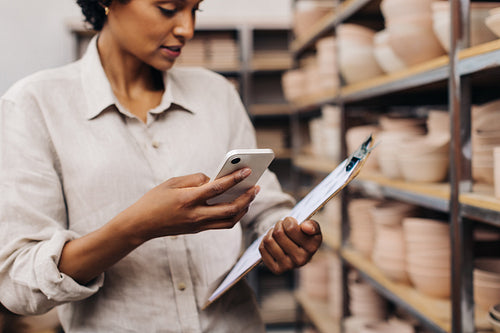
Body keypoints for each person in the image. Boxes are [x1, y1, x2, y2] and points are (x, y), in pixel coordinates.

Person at [0, 0, 323, 332]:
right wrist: (135, 228)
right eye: (168, 8)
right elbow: (17, 283)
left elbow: (263, 204)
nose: (188, 29)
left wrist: (284, 233)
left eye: (195, 10)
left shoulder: (217, 94)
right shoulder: (33, 106)